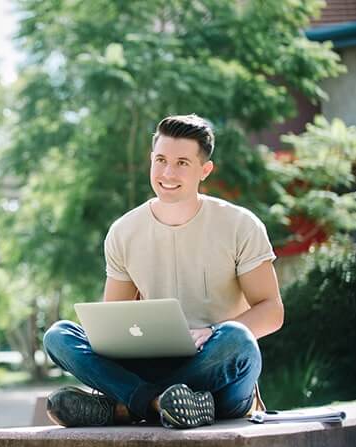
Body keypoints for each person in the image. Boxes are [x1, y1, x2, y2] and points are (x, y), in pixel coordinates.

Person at [43, 114, 284, 429]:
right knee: (58, 335)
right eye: (161, 160)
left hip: (219, 372)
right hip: (151, 364)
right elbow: (113, 322)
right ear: (151, 160)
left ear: (204, 170)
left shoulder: (240, 225)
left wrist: (213, 332)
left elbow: (272, 311)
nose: (168, 172)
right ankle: (158, 403)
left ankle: (128, 408)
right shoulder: (123, 231)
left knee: (238, 339)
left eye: (183, 162)